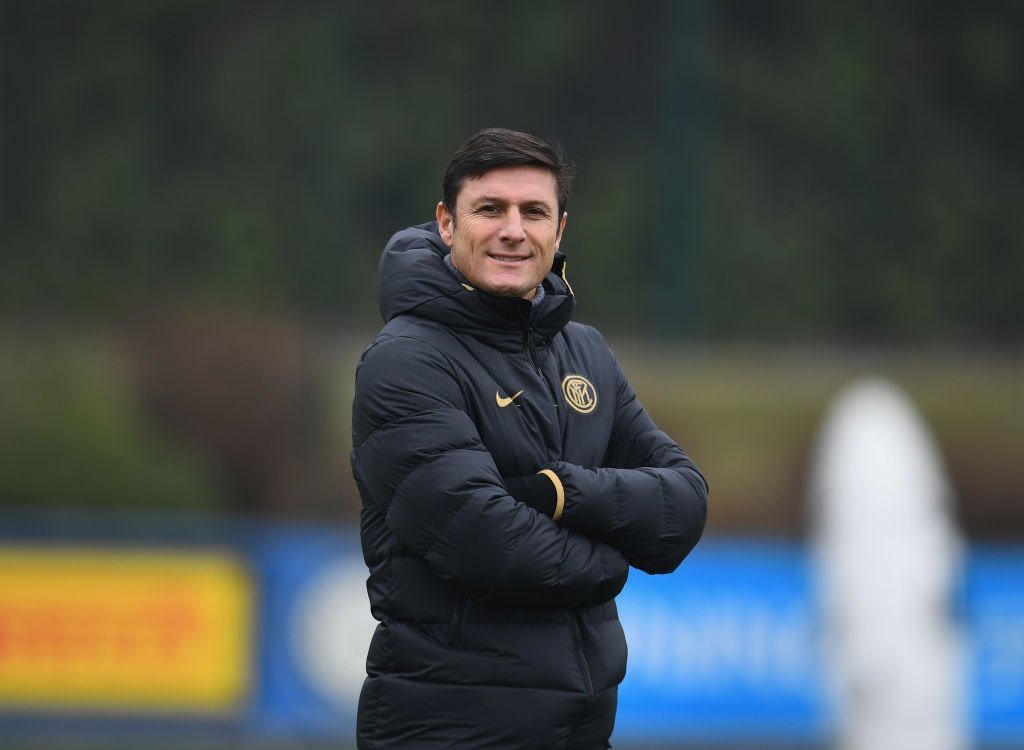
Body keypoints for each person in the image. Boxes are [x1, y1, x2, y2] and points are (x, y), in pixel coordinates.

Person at [350, 127, 708, 749]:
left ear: (559, 230)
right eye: (491, 209)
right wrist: (612, 557)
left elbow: (683, 503)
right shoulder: (407, 359)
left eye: (534, 212)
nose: (513, 230)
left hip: (581, 725)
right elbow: (485, 541)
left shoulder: (584, 350)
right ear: (446, 223)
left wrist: (558, 493)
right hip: (450, 725)